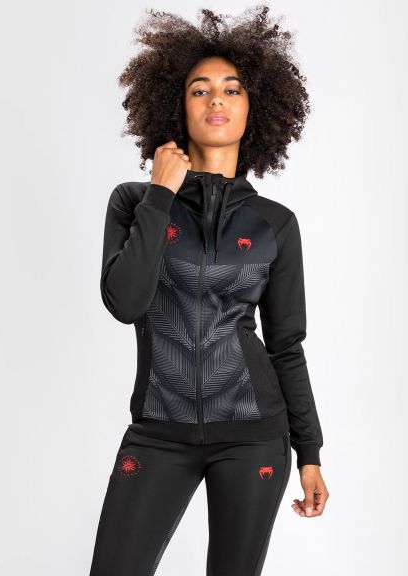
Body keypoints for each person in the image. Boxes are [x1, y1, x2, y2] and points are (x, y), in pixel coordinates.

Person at [89, 6, 329, 575]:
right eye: (199, 90)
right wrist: (160, 195)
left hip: (254, 436)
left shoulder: (275, 224)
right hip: (158, 433)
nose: (216, 99)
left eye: (231, 89)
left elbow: (286, 344)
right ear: (177, 106)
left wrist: (310, 452)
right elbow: (125, 302)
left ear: (253, 107)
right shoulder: (135, 201)